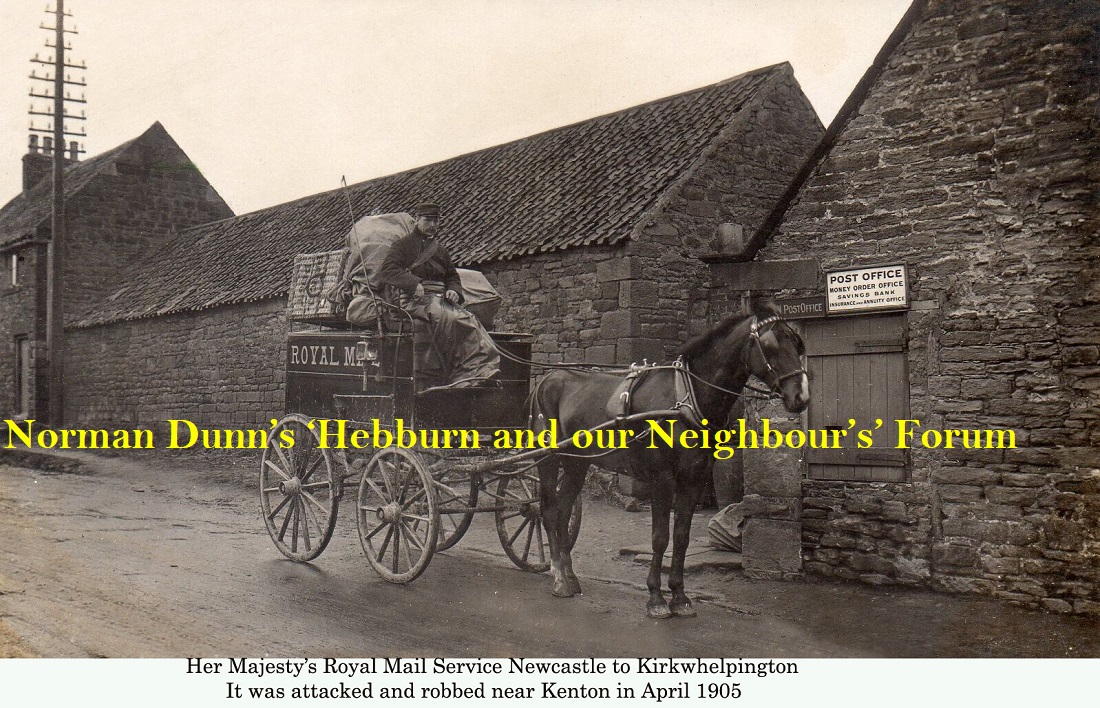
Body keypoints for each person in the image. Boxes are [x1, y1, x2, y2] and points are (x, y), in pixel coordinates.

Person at [379, 202, 501, 389]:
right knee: (450, 318)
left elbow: (452, 276)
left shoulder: (440, 249)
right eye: (428, 220)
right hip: (413, 300)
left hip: (439, 299)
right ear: (417, 220)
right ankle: (459, 371)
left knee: (469, 318)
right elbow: (387, 271)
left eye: (436, 221)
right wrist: (413, 283)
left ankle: (478, 369)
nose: (433, 225)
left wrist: (454, 290)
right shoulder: (402, 246)